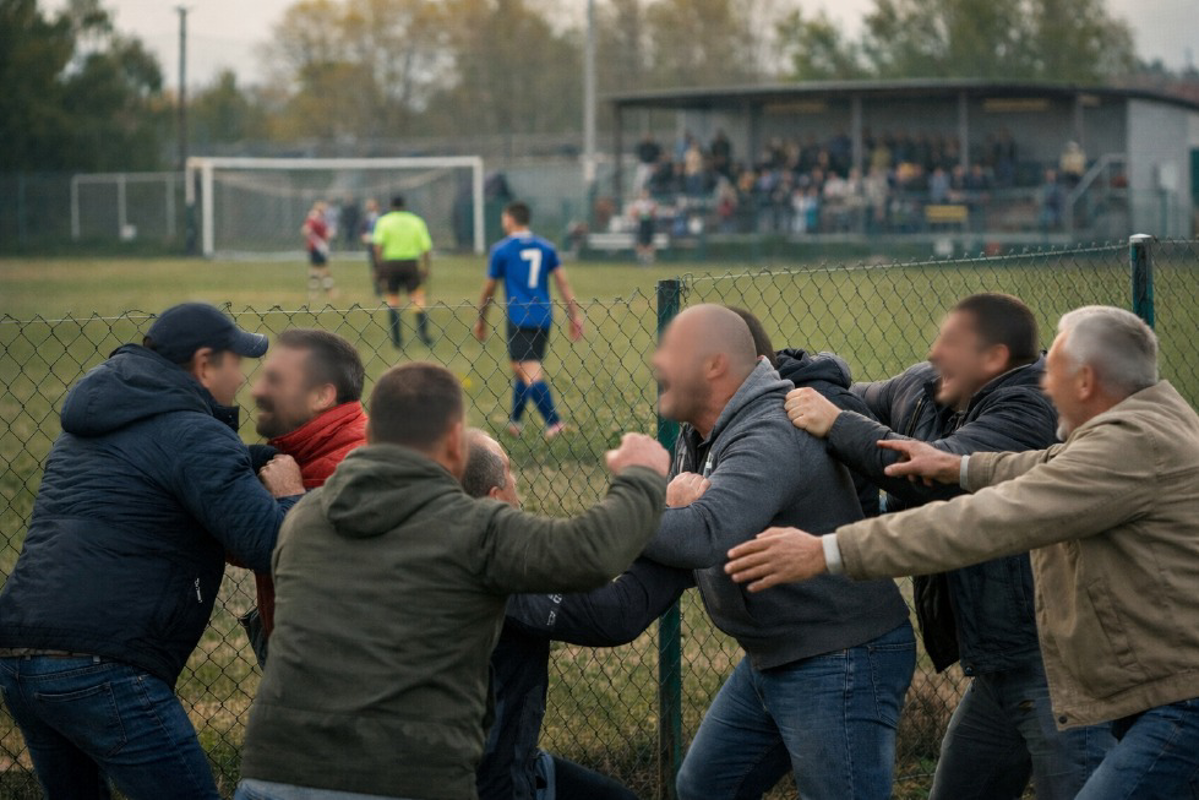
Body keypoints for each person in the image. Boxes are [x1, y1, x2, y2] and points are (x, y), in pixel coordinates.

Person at [726, 305, 1199, 800]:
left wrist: (830, 550)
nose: (1045, 384)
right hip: (1101, 678)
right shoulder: (1152, 419)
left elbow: (986, 520)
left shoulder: (1126, 446)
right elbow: (1043, 464)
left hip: (1179, 696)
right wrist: (958, 467)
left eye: (1054, 373)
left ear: (1084, 381)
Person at [235, 362, 671, 800]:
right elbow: (595, 565)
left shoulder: (307, 516)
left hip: (271, 772)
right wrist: (643, 480)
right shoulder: (471, 532)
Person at [784, 292, 1113, 799]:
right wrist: (808, 371)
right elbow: (858, 397)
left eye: (950, 342)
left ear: (994, 357)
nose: (934, 351)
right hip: (1000, 665)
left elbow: (939, 474)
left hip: (1056, 665)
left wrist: (836, 421)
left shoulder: (1034, 408)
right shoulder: (925, 390)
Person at [0, 302, 305, 800]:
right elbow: (269, 543)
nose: (243, 378)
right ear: (205, 364)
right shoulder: (191, 433)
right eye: (236, 362)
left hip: (19, 655)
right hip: (104, 665)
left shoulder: (88, 429)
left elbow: (164, 468)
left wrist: (254, 459)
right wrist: (291, 494)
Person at [642, 304, 915, 800]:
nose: (656, 363)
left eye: (671, 351)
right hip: (777, 652)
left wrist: (615, 521)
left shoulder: (770, 433)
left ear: (713, 365)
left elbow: (703, 533)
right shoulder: (702, 434)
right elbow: (672, 524)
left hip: (839, 655)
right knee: (705, 788)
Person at [465, 431, 695, 800]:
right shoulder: (497, 568)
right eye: (508, 472)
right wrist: (680, 526)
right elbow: (615, 614)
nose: (517, 481)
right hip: (487, 778)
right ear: (493, 500)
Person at [238, 328, 369, 667]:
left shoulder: (353, 471)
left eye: (276, 381)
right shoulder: (295, 459)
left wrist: (290, 501)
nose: (257, 391)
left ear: (322, 396)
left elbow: (326, 573)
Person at [474, 201, 584, 440]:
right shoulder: (546, 247)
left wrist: (481, 318)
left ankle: (554, 422)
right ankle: (516, 420)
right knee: (522, 368)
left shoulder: (501, 250)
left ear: (510, 219)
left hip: (519, 316)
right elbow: (562, 282)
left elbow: (489, 288)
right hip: (543, 315)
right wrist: (574, 314)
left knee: (529, 370)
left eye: (504, 217)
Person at [371, 195, 435, 348]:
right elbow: (426, 248)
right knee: (418, 300)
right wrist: (426, 267)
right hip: (411, 264)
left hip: (391, 264)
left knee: (393, 301)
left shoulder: (384, 221)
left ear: (391, 206)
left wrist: (379, 267)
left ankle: (397, 340)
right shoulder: (416, 221)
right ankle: (424, 335)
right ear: (405, 205)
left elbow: (378, 247)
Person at [301, 201, 336, 300]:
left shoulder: (318, 218)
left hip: (317, 247)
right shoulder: (314, 217)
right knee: (321, 269)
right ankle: (326, 291)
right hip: (317, 247)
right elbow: (306, 230)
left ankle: (316, 292)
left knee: (317, 269)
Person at [628, 189, 658, 265]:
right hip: (640, 224)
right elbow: (633, 213)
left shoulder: (650, 203)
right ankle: (641, 259)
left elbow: (653, 213)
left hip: (648, 224)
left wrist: (647, 214)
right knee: (640, 242)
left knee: (649, 242)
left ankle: (648, 259)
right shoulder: (638, 203)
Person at [359, 198, 381, 295]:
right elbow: (362, 230)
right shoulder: (366, 219)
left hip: (380, 245)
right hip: (371, 245)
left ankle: (384, 285)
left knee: (382, 265)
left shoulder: (381, 218)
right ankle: (377, 288)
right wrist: (363, 236)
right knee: (374, 267)